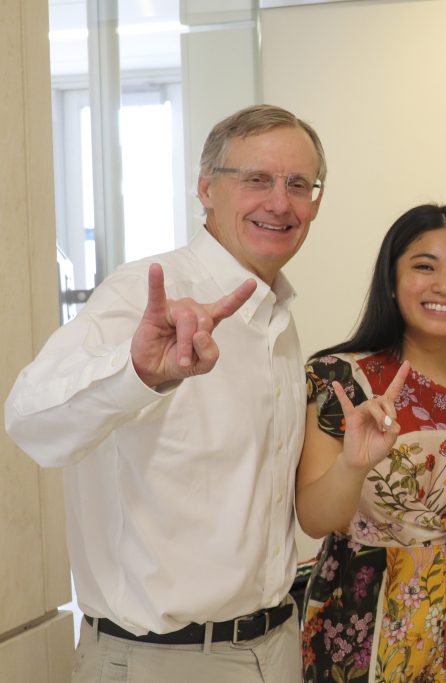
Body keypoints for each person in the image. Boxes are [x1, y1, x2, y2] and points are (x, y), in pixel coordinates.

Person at [4, 104, 325, 681]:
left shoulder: (277, 317)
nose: (280, 202)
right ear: (205, 187)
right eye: (256, 179)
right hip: (162, 660)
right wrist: (136, 373)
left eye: (298, 184)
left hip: (274, 646)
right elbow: (29, 418)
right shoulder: (146, 291)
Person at [297, 204, 446, 682]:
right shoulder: (340, 376)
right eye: (424, 266)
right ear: (391, 280)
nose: (445, 286)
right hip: (366, 606)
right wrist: (352, 463)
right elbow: (314, 519)